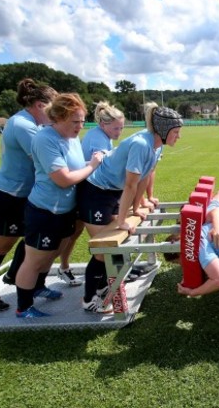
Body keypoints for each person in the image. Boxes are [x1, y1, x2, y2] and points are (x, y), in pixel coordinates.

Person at [78, 103, 183, 313]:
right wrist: (124, 219)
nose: (178, 137)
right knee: (103, 250)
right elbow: (130, 184)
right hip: (95, 191)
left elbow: (143, 178)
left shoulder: (156, 145)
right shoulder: (141, 144)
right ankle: (89, 299)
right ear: (163, 131)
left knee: (111, 248)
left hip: (112, 191)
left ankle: (101, 287)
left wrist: (137, 209)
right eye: (176, 132)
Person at [14, 93, 103, 318]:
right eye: (76, 121)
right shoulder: (46, 139)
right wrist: (92, 166)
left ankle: (38, 287)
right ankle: (23, 307)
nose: (80, 126)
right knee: (34, 260)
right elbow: (63, 179)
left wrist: (96, 163)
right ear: (59, 118)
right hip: (45, 211)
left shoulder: (71, 138)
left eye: (82, 121)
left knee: (51, 254)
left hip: (64, 210)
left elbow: (73, 167)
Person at [0, 78, 57, 311]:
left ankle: (17, 277)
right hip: (7, 195)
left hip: (25, 195)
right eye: (54, 108)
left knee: (33, 239)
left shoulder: (33, 123)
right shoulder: (23, 125)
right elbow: (46, 161)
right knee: (1, 244)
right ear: (41, 106)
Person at [57, 101, 126, 286]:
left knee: (76, 232)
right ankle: (69, 271)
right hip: (87, 190)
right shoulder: (97, 138)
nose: (119, 132)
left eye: (121, 128)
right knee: (96, 241)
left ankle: (65, 268)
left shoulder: (103, 135)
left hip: (88, 188)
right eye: (116, 128)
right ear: (103, 125)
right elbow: (97, 167)